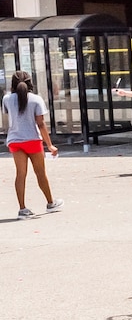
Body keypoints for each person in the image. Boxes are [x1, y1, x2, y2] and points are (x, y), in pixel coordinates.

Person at [3, 71, 63, 219]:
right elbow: (41, 124)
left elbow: (8, 117)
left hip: (15, 141)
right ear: (30, 82)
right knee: (40, 173)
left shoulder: (7, 99)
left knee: (20, 174)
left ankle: (22, 209)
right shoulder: (36, 99)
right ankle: (50, 203)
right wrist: (50, 145)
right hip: (33, 141)